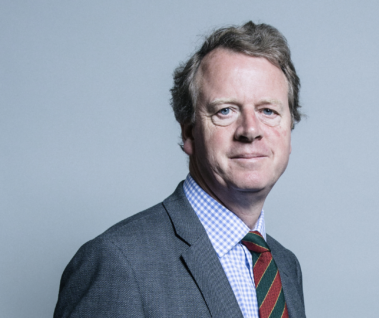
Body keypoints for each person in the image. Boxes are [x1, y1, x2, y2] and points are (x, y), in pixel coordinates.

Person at [54, 21, 306, 318]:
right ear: (189, 133)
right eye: (225, 110)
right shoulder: (118, 263)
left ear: (289, 130)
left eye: (268, 111)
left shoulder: (285, 267)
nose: (250, 130)